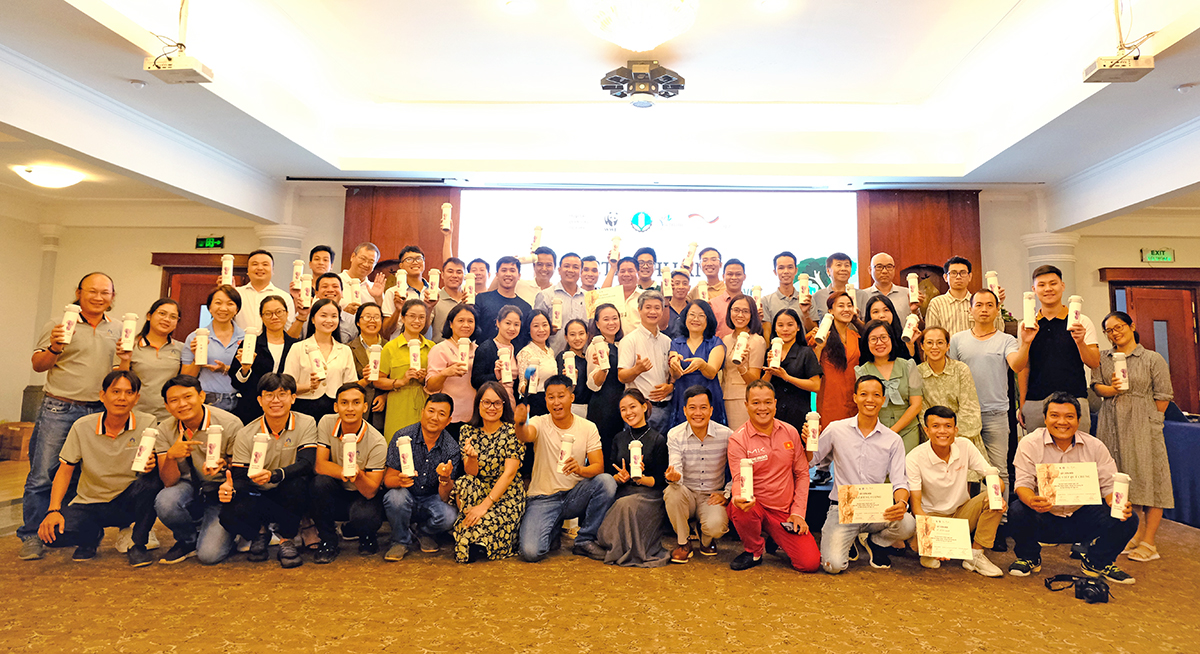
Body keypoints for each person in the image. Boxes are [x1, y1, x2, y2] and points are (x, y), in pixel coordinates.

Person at [1007, 393, 1137, 584]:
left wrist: (1115, 503)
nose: (1062, 422)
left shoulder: (1095, 446)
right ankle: (1029, 557)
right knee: (1017, 509)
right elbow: (1023, 484)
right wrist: (1032, 501)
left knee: (1127, 517)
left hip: (1081, 517)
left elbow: (1109, 485)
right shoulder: (1030, 443)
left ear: (1078, 420)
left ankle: (1097, 562)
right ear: (1045, 418)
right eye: (1054, 415)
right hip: (1044, 516)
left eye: (1069, 416)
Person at [35, 370, 161, 566]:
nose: (122, 398)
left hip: (128, 499)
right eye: (116, 392)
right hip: (90, 502)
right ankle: (90, 537)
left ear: (137, 398)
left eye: (129, 393)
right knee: (53, 536)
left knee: (154, 480)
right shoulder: (82, 426)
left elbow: (153, 462)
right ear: (102, 396)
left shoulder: (148, 422)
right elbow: (65, 470)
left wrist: (151, 464)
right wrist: (53, 510)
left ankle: (137, 544)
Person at [810, 375, 916, 574]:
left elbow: (900, 482)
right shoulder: (836, 429)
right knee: (833, 566)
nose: (870, 400)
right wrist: (809, 441)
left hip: (876, 509)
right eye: (864, 394)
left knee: (908, 524)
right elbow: (810, 460)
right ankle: (849, 539)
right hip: (843, 509)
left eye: (876, 395)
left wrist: (902, 503)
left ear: (883, 400)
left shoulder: (893, 440)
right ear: (855, 398)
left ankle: (876, 542)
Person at [1092, 311, 1174, 563]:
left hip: (1142, 425)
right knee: (1122, 479)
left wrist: (1151, 421)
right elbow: (1096, 386)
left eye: (1119, 327)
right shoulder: (1103, 358)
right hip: (1111, 424)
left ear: (1131, 326)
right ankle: (1134, 534)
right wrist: (1112, 389)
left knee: (1152, 479)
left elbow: (1163, 396)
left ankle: (1150, 541)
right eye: (1109, 330)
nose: (1115, 333)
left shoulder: (1151, 358)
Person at [218, 373, 318, 569]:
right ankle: (259, 533)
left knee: (299, 484)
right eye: (269, 395)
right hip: (259, 494)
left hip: (288, 491)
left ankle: (286, 539)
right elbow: (239, 477)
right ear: (260, 400)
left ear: (293, 398)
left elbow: (306, 463)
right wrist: (229, 487)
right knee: (229, 511)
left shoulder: (306, 423)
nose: (276, 400)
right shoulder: (246, 433)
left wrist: (274, 475)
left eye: (282, 394)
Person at [516, 375, 616, 562]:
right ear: (546, 400)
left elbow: (598, 467)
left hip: (574, 495)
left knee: (606, 482)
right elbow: (525, 436)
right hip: (543, 498)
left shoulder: (588, 427)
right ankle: (553, 530)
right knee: (531, 552)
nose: (556, 402)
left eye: (561, 396)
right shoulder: (539, 422)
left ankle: (584, 540)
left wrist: (579, 469)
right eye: (551, 397)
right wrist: (520, 423)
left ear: (571, 397)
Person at [726, 381, 820, 572]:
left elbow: (802, 474)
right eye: (756, 403)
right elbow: (738, 478)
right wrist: (738, 497)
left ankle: (775, 537)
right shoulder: (738, 439)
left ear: (775, 404)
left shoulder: (790, 432)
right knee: (740, 509)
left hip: (784, 512)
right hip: (755, 507)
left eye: (768, 402)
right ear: (746, 405)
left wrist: (797, 513)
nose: (762, 408)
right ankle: (754, 551)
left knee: (809, 563)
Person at [152, 375, 245, 565]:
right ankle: (188, 540)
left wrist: (225, 465)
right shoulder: (165, 430)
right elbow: (169, 481)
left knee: (209, 556)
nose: (182, 404)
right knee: (165, 501)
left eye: (188, 397)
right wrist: (171, 456)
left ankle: (230, 532)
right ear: (167, 406)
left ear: (202, 396)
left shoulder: (230, 423)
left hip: (220, 492)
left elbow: (240, 471)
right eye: (174, 400)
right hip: (189, 487)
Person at [948, 289, 1032, 497]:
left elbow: (1016, 365)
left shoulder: (1006, 340)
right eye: (979, 305)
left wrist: (1026, 342)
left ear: (997, 310)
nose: (984, 309)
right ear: (970, 310)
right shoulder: (957, 340)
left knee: (998, 470)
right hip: (964, 415)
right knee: (964, 472)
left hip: (995, 414)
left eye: (989, 305)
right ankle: (971, 514)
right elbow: (950, 374)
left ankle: (1001, 514)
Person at [905, 406, 1005, 576]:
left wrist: (996, 495)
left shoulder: (965, 445)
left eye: (948, 426)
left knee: (995, 500)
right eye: (935, 426)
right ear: (926, 430)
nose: (942, 431)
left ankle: (975, 556)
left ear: (955, 430)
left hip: (961, 513)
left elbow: (994, 478)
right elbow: (916, 507)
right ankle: (929, 550)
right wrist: (929, 540)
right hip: (932, 518)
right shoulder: (914, 458)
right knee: (925, 555)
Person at [1015, 264, 1099, 433]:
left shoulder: (1081, 321)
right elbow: (1024, 366)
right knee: (1038, 449)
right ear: (1034, 289)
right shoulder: (1027, 324)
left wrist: (1080, 342)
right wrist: (1023, 403)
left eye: (1053, 283)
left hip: (1075, 400)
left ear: (1062, 286)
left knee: (1078, 448)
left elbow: (1094, 362)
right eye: (1042, 285)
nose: (1048, 289)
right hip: (1036, 401)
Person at [310, 383, 387, 563]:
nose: (350, 408)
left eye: (356, 403)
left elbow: (371, 491)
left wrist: (359, 476)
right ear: (336, 406)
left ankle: (367, 535)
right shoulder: (326, 422)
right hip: (337, 488)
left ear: (365, 407)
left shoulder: (377, 441)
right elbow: (320, 466)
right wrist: (344, 472)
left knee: (365, 516)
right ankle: (328, 541)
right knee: (318, 484)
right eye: (344, 403)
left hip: (362, 493)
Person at [381, 394, 461, 560]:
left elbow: (445, 496)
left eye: (441, 414)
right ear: (422, 412)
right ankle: (400, 540)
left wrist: (445, 479)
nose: (434, 417)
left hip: (432, 498)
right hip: (405, 493)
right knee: (394, 498)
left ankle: (423, 532)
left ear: (449, 420)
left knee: (450, 516)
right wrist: (399, 480)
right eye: (431, 411)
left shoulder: (451, 448)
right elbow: (387, 480)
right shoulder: (402, 436)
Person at [452, 383, 526, 563]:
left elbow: (509, 474)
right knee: (465, 482)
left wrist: (484, 506)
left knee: (483, 522)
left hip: (506, 493)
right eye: (486, 402)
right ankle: (474, 532)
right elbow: (471, 472)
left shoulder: (513, 432)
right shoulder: (467, 431)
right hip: (479, 489)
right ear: (478, 404)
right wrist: (472, 458)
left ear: (504, 405)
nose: (491, 407)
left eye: (497, 403)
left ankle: (479, 537)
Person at [596, 390, 670, 567]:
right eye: (623, 409)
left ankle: (623, 548)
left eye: (632, 407)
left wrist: (641, 478)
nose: (628, 412)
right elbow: (611, 471)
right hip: (624, 490)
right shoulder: (619, 438)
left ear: (644, 407)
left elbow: (660, 480)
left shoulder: (658, 439)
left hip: (649, 496)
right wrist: (619, 477)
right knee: (620, 502)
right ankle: (614, 544)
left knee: (626, 504)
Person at [664, 386, 733, 563]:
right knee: (672, 492)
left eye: (703, 407)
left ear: (711, 410)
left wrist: (727, 493)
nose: (698, 413)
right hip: (686, 493)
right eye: (692, 407)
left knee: (716, 527)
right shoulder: (675, 435)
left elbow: (738, 470)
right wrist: (674, 477)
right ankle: (683, 542)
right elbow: (675, 466)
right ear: (684, 410)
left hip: (711, 496)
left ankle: (706, 539)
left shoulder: (727, 435)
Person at [284, 298, 358, 422]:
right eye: (323, 315)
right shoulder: (298, 348)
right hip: (303, 408)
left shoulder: (345, 350)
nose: (329, 320)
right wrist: (308, 386)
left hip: (335, 409)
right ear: (313, 319)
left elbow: (350, 386)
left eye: (334, 316)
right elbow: (287, 386)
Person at [855, 320, 923, 452]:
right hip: (875, 432)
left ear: (891, 339)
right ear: (866, 343)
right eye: (873, 339)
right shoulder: (862, 372)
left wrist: (892, 431)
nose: (879, 342)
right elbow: (864, 406)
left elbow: (916, 405)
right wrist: (881, 433)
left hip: (908, 430)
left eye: (884, 337)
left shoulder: (908, 366)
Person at [229, 296, 298, 424]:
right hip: (252, 408)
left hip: (286, 408)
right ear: (261, 316)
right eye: (268, 313)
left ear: (287, 313)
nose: (274, 317)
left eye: (279, 312)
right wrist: (245, 370)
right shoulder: (250, 344)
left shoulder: (296, 345)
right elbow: (236, 382)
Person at [917, 327, 983, 461]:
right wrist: (938, 434)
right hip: (933, 441)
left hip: (963, 437)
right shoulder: (917, 373)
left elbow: (969, 408)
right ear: (922, 346)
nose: (934, 347)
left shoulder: (961, 370)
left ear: (948, 346)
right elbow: (921, 410)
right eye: (929, 342)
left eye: (940, 342)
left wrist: (949, 434)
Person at [618, 291, 678, 434]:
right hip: (641, 409)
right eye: (648, 307)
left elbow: (672, 375)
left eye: (657, 308)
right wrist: (636, 370)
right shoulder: (629, 340)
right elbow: (621, 377)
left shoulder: (667, 341)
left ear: (662, 311)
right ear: (639, 310)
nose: (652, 312)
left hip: (666, 408)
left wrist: (671, 387)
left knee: (664, 447)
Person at [377, 299, 435, 439]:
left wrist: (423, 379)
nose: (417, 321)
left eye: (422, 317)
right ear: (403, 318)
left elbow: (437, 383)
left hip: (425, 405)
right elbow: (378, 380)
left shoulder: (432, 347)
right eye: (412, 316)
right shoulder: (390, 347)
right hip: (398, 406)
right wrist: (401, 381)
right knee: (397, 445)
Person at [182, 285, 244, 412]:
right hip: (207, 399)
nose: (223, 308)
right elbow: (186, 378)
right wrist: (197, 358)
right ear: (210, 308)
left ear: (237, 309)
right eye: (218, 303)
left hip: (239, 401)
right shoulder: (195, 337)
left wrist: (226, 369)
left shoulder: (246, 338)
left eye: (230, 304)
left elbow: (251, 374)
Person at [119, 298, 182, 421]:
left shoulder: (181, 348)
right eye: (162, 313)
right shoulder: (130, 345)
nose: (167, 319)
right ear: (149, 316)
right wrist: (125, 359)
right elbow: (119, 381)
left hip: (169, 416)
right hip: (136, 414)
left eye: (173, 317)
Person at [807, 291, 863, 431]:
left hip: (853, 399)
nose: (846, 309)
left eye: (849, 305)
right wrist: (820, 347)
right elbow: (811, 367)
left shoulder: (855, 336)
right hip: (830, 399)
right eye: (841, 306)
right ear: (830, 311)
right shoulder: (819, 335)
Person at [668, 300, 726, 427]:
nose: (696, 319)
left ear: (708, 319)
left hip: (709, 393)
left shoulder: (715, 342)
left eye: (701, 315)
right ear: (685, 318)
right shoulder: (676, 343)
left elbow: (711, 373)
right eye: (692, 315)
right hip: (683, 394)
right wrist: (674, 365)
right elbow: (675, 375)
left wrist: (702, 365)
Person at [763, 308, 822, 431]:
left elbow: (816, 385)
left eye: (790, 325)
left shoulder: (806, 352)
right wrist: (769, 371)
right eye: (780, 325)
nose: (785, 329)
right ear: (775, 328)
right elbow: (762, 387)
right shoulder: (769, 352)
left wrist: (787, 377)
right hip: (773, 414)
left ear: (798, 327)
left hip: (798, 413)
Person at [425, 304, 480, 430]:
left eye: (470, 321)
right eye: (461, 320)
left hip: (474, 415)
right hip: (449, 416)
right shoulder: (440, 349)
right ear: (450, 324)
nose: (466, 325)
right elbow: (430, 387)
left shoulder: (478, 349)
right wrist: (445, 373)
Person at [924, 256, 1005, 335]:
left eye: (963, 273)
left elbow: (999, 330)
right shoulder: (936, 303)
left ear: (969, 276)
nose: (958, 277)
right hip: (949, 344)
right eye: (953, 273)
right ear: (945, 277)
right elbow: (931, 334)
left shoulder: (979, 302)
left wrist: (996, 304)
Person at [721, 294, 766, 430]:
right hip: (723, 396)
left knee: (739, 437)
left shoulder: (757, 341)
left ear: (752, 315)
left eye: (745, 311)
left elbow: (755, 380)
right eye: (736, 310)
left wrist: (741, 367)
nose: (740, 315)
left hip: (742, 399)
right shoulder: (726, 339)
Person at [586, 303, 626, 454]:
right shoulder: (596, 346)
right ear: (597, 323)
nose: (611, 323)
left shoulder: (621, 344)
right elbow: (593, 384)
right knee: (604, 449)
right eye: (606, 319)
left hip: (620, 403)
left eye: (615, 318)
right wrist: (603, 368)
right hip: (603, 406)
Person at [470, 304, 522, 406]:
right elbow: (475, 381)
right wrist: (496, 376)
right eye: (508, 323)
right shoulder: (486, 348)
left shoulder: (517, 349)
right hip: (492, 405)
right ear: (498, 323)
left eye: (516, 324)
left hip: (512, 404)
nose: (512, 328)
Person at [347, 302, 387, 431]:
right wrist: (364, 381)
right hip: (357, 409)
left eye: (376, 317)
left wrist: (386, 396)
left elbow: (397, 378)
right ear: (358, 322)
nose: (372, 320)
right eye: (367, 316)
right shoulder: (348, 349)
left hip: (385, 411)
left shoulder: (390, 347)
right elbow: (345, 385)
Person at [534, 252, 586, 352]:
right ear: (559, 270)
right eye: (567, 266)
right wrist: (550, 330)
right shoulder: (545, 295)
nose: (570, 270)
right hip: (553, 355)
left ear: (581, 271)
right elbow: (535, 330)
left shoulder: (588, 297)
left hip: (583, 357)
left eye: (575, 267)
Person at [234, 249, 295, 333]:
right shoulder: (237, 293)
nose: (260, 268)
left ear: (272, 270)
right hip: (240, 341)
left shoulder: (284, 297)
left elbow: (288, 328)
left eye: (265, 264)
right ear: (247, 270)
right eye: (255, 264)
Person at [289, 273, 359, 343]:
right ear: (316, 293)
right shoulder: (304, 316)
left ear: (342, 292)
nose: (330, 290)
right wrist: (302, 316)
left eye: (335, 286)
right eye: (325, 286)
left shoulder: (352, 321)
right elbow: (288, 342)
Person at [475, 257, 531, 342]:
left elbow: (525, 337)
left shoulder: (526, 307)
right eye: (504, 270)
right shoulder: (481, 299)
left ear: (519, 276)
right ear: (497, 275)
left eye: (512, 270)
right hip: (484, 350)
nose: (508, 274)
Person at [381, 245, 432, 337]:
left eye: (419, 259)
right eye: (409, 259)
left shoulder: (434, 293)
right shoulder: (393, 292)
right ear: (401, 265)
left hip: (425, 344)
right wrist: (398, 310)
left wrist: (429, 308)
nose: (415, 262)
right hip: (399, 344)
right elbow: (386, 331)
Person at [516, 309, 558, 417]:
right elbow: (522, 385)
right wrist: (529, 385)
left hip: (552, 402)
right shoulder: (526, 353)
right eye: (536, 326)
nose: (541, 329)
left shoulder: (550, 351)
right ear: (528, 329)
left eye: (545, 325)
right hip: (535, 404)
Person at [861, 252, 920, 324]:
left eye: (889, 267)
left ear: (894, 269)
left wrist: (915, 311)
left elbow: (921, 327)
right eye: (879, 267)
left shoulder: (908, 294)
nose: (884, 271)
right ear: (870, 270)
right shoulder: (862, 296)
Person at [428, 256, 469, 343]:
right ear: (442, 275)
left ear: (464, 276)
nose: (454, 276)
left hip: (467, 348)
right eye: (450, 271)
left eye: (459, 272)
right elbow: (424, 330)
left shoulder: (470, 299)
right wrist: (429, 308)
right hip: (441, 349)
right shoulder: (434, 299)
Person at [862, 295, 915, 360]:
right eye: (875, 312)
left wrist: (910, 345)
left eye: (886, 310)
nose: (882, 315)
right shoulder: (864, 340)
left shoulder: (905, 336)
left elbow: (914, 363)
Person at [337, 242, 385, 314]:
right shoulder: (335, 282)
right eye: (363, 259)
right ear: (353, 256)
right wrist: (343, 311)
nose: (366, 264)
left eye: (371, 262)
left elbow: (382, 316)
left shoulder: (374, 288)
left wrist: (379, 299)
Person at [762, 251, 803, 333]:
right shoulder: (766, 301)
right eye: (781, 268)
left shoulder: (807, 300)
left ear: (796, 270)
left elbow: (813, 330)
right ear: (775, 272)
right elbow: (767, 332)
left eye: (790, 267)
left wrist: (806, 314)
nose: (786, 271)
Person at [559, 319, 593, 417]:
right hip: (571, 407)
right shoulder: (564, 357)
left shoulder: (587, 358)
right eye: (572, 335)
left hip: (589, 408)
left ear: (587, 335)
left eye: (581, 334)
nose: (577, 338)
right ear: (566, 337)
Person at [811, 252, 858, 322]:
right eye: (839, 265)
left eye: (847, 265)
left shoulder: (862, 295)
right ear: (828, 271)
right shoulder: (818, 296)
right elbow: (814, 325)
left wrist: (856, 319)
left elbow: (868, 325)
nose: (843, 269)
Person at [708, 259, 746, 339]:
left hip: (747, 346)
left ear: (744, 277)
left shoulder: (750, 304)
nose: (734, 277)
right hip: (719, 346)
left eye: (738, 274)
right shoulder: (713, 304)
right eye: (730, 274)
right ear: (723, 276)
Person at [614, 257, 645, 334]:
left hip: (639, 340)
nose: (626, 274)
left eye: (631, 271)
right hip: (613, 341)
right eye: (622, 271)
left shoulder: (645, 297)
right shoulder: (611, 295)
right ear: (617, 274)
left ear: (638, 274)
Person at [665, 269, 691, 339]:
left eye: (685, 283)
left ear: (689, 287)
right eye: (677, 283)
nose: (681, 287)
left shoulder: (692, 309)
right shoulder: (663, 308)